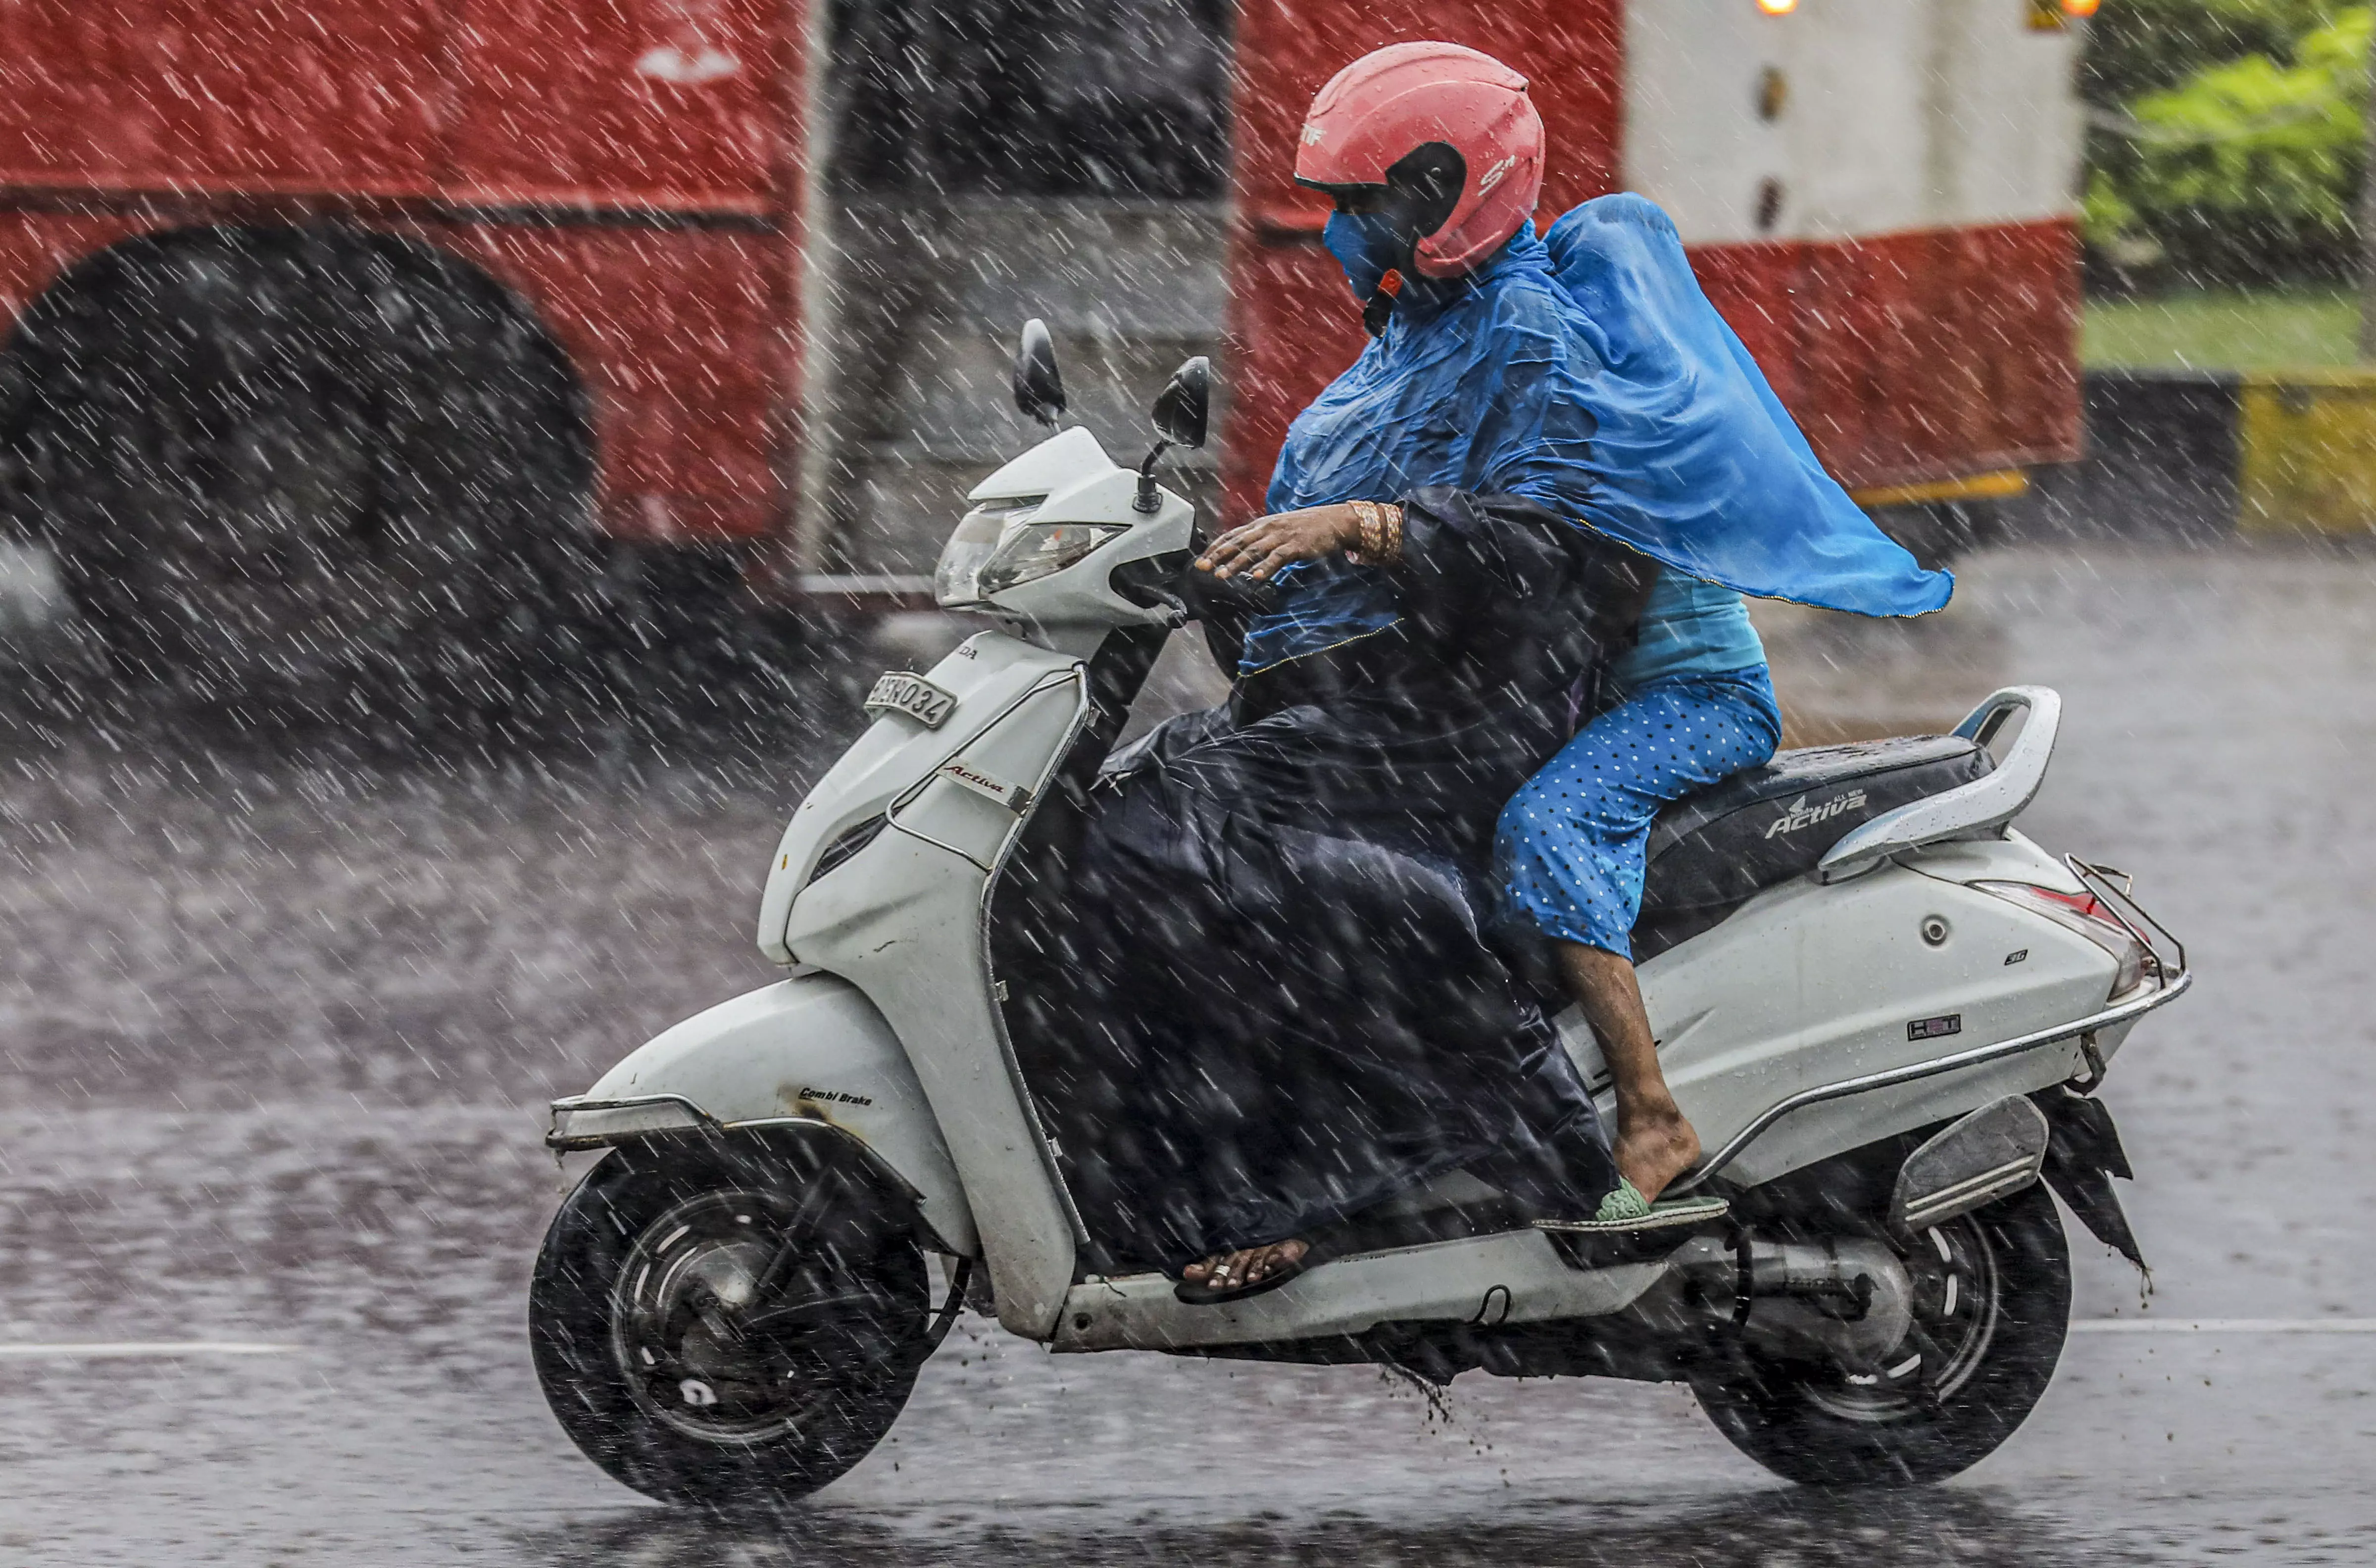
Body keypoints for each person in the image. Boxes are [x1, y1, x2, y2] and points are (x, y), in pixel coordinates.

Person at [1023, 42, 1950, 1304]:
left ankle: (1527, 1138)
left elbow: (1539, 559)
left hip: (1461, 722)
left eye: (1365, 205)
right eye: (1338, 205)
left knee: (1239, 848)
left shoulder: (1530, 337)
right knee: (1112, 833)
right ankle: (1198, 1170)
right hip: (1372, 706)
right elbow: (1341, 536)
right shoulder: (1410, 335)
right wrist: (1222, 575)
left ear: (1447, 191)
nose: (1341, 231)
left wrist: (1359, 531)